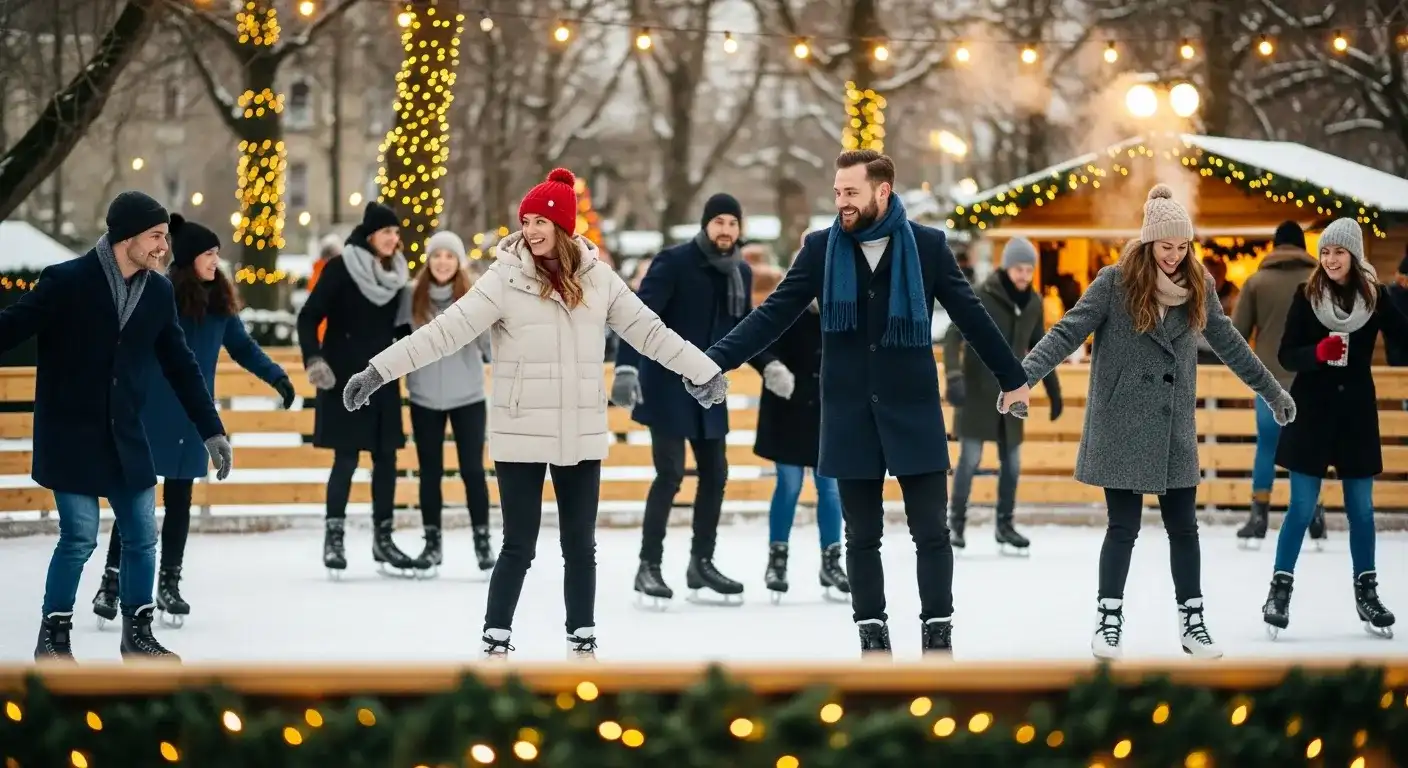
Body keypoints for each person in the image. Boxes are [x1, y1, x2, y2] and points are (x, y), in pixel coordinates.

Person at [342, 168, 722, 659]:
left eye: (543, 220)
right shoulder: (503, 280)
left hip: (581, 428)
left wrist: (702, 370)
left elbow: (651, 332)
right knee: (518, 544)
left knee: (580, 546)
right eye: (527, 221)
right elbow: (444, 332)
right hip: (520, 428)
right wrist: (377, 371)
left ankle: (581, 635)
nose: (533, 230)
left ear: (564, 226)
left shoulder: (599, 280)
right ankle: (495, 635)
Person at [690, 150, 1032, 656]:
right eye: (837, 192)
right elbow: (773, 315)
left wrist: (1013, 377)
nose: (841, 202)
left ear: (882, 191)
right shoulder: (821, 250)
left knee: (931, 533)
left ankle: (938, 635)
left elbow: (972, 315)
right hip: (849, 412)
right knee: (862, 537)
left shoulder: (927, 248)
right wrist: (715, 360)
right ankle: (873, 636)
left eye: (851, 192)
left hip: (912, 410)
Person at [1020, 184, 1295, 660]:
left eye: (1182, 246)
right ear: (1148, 244)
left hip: (1172, 429)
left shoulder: (1199, 287)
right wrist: (1022, 379)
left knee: (1184, 528)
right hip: (1121, 422)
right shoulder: (1115, 282)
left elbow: (1231, 345)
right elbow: (1068, 331)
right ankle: (1108, 619)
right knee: (1122, 527)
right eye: (1166, 247)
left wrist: (1272, 390)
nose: (1174, 256)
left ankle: (1193, 621)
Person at [4, 191, 234, 661]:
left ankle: (138, 633)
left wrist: (211, 429)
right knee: (81, 536)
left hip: (126, 434)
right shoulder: (67, 281)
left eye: (165, 239)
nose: (163, 248)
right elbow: (12, 326)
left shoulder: (158, 291)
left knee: (142, 533)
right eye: (155, 237)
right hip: (70, 434)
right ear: (125, 237)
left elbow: (181, 364)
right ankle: (55, 636)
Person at [93, 214, 292, 629]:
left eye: (217, 254)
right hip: (151, 412)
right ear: (188, 258)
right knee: (137, 500)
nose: (215, 261)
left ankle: (169, 582)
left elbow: (244, 348)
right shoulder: (157, 296)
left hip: (192, 419)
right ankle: (111, 581)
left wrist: (277, 376)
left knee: (179, 501)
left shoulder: (220, 307)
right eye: (208, 254)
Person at [611, 193, 786, 606]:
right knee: (670, 474)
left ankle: (700, 563)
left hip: (708, 389)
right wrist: (626, 367)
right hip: (667, 387)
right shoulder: (673, 262)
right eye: (719, 221)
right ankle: (648, 566)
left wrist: (769, 365)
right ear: (706, 225)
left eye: (732, 223)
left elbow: (743, 328)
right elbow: (641, 317)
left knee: (715, 474)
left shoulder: (740, 271)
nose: (726, 230)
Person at [1261, 218, 1408, 640]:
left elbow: (1404, 336)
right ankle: (1279, 590)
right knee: (1301, 508)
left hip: (1356, 417)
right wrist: (1318, 353)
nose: (1330, 259)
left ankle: (1367, 592)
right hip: (1312, 414)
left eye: (1338, 252)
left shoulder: (1375, 299)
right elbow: (1287, 354)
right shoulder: (1306, 296)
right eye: (1324, 252)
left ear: (1354, 255)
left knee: (1362, 510)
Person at [297, 201, 426, 578]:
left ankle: (382, 539)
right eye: (387, 232)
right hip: (343, 376)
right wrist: (314, 360)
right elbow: (308, 317)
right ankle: (334, 538)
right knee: (347, 459)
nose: (394, 239)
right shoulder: (341, 268)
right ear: (371, 234)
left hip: (383, 376)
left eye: (397, 234)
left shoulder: (396, 276)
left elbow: (402, 329)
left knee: (387, 459)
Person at [943, 237, 1064, 555]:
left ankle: (1005, 525)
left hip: (1013, 393)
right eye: (1019, 269)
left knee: (1011, 463)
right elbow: (953, 334)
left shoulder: (1034, 303)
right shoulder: (982, 294)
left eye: (1029, 270)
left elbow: (1042, 348)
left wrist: (1054, 391)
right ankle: (955, 524)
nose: (1024, 275)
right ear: (1006, 268)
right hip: (978, 392)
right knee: (969, 460)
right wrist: (954, 376)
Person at [395, 230, 496, 576]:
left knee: (472, 471)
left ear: (458, 262)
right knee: (430, 474)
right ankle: (432, 544)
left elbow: (489, 348)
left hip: (467, 396)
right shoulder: (411, 297)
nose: (442, 262)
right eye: (437, 255)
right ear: (429, 260)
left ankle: (482, 542)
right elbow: (395, 341)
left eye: (449, 256)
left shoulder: (474, 298)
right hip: (424, 397)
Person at [1231, 221, 1325, 548]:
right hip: (1312, 379)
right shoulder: (1319, 281)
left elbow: (1237, 334)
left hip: (1268, 383)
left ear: (1275, 246)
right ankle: (1314, 516)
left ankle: (1259, 518)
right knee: (1309, 449)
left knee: (1267, 448)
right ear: (1302, 246)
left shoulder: (1256, 282)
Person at [755, 287, 849, 603]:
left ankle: (831, 561)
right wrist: (772, 366)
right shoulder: (784, 303)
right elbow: (756, 340)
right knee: (789, 484)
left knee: (830, 487)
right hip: (789, 410)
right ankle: (777, 560)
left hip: (828, 413)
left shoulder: (847, 307)